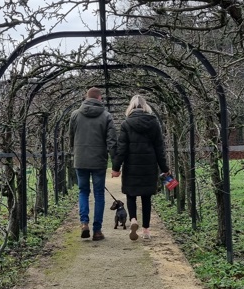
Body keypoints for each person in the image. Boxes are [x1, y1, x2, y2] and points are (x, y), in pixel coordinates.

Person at [111, 95, 170, 241]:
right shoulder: (154, 123)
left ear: (131, 107)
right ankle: (146, 231)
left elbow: (122, 149)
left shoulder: (126, 124)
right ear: (145, 106)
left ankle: (133, 220)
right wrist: (164, 168)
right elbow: (159, 148)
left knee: (131, 196)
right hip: (149, 166)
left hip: (131, 166)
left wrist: (116, 168)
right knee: (146, 199)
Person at [69, 87, 117, 241]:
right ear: (100, 99)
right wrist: (115, 163)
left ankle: (84, 223)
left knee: (83, 191)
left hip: (80, 159)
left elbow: (71, 136)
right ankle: (97, 230)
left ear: (86, 97)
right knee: (99, 195)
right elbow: (111, 141)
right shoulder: (106, 116)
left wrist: (75, 151)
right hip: (98, 161)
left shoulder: (75, 115)